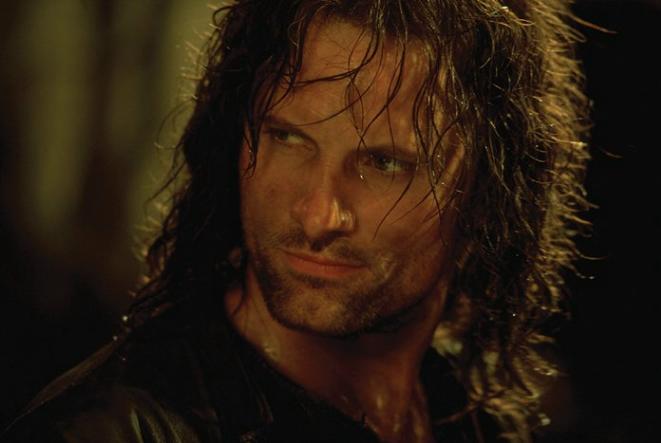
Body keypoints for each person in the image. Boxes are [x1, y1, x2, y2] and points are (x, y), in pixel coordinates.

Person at [3, 0, 590, 442]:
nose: (317, 215)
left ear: (489, 197)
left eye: (384, 164)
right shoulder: (113, 431)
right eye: (288, 139)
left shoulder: (476, 419)